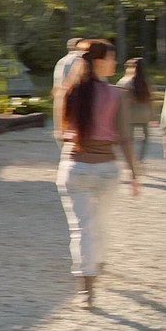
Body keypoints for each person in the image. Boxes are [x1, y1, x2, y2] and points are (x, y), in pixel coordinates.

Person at [55, 40, 140, 308]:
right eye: (112, 58)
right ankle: (96, 264)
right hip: (106, 169)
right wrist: (134, 173)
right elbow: (126, 138)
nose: (115, 62)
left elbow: (60, 133)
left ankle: (86, 288)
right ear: (99, 61)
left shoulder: (69, 91)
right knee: (99, 224)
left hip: (74, 166)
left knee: (82, 228)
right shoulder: (117, 94)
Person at [116, 57, 152, 162]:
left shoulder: (126, 82)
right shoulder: (146, 82)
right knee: (145, 137)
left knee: (129, 138)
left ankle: (131, 158)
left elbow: (120, 97)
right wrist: (153, 115)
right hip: (144, 113)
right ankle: (140, 158)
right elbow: (150, 99)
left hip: (130, 114)